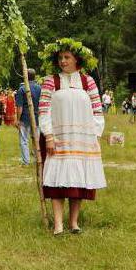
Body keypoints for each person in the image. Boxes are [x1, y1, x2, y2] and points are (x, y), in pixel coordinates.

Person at [38, 40, 106, 235]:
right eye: (60, 58)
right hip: (58, 138)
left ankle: (74, 222)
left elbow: (97, 110)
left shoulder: (88, 82)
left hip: (82, 139)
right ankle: (58, 223)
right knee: (57, 181)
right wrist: (49, 136)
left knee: (78, 180)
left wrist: (95, 135)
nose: (63, 61)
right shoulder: (52, 81)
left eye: (67, 57)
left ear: (77, 59)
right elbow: (44, 110)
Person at [16, 68, 42, 166]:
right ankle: (37, 159)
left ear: (25, 76)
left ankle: (25, 161)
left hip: (24, 118)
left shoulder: (22, 89)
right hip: (36, 117)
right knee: (36, 139)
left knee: (24, 140)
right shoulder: (39, 88)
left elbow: (20, 106)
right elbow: (41, 105)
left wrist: (18, 119)